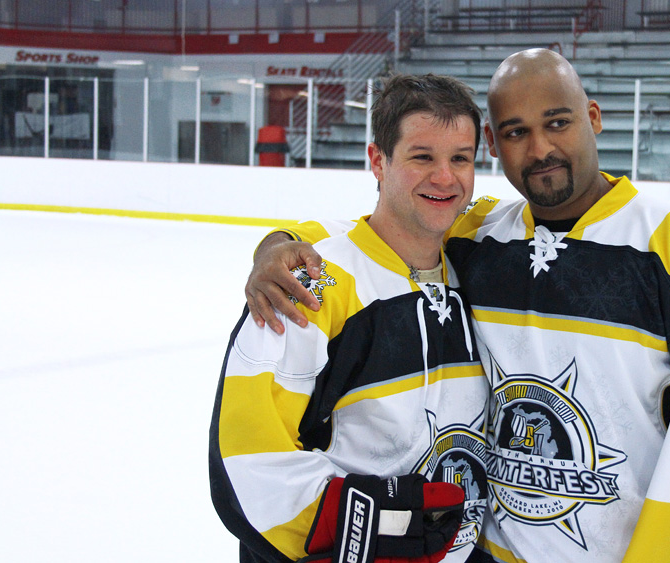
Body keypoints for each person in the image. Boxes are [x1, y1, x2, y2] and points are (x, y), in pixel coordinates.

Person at [247, 49, 670, 563]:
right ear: (494, 144)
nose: (540, 149)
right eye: (516, 132)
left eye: (557, 123)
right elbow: (380, 231)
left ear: (593, 117)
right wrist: (280, 244)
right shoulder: (481, 234)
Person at [209, 73, 493, 563]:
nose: (445, 178)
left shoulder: (477, 269)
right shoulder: (311, 286)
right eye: (422, 157)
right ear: (378, 160)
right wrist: (387, 529)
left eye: (460, 158)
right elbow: (249, 463)